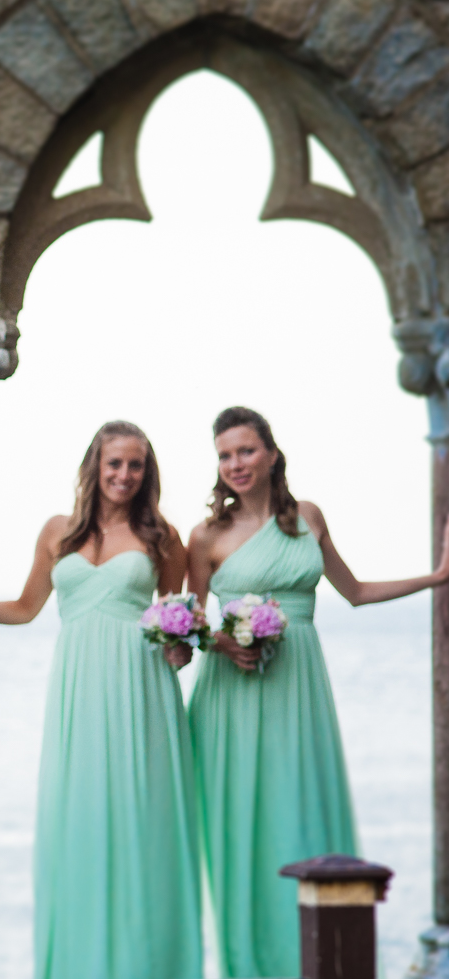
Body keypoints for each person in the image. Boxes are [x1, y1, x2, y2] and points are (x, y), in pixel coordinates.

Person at [187, 405, 449, 977]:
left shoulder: (307, 517)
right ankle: (249, 964)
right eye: (225, 454)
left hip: (299, 686)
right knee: (241, 834)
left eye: (246, 450)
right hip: (233, 697)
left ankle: (314, 959)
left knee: (303, 813)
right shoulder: (206, 535)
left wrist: (436, 576)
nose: (236, 463)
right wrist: (226, 644)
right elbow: (190, 623)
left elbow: (354, 591)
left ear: (272, 453)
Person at [0, 421, 200, 979]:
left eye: (135, 465)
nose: (125, 475)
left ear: (146, 472)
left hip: (141, 690)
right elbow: (25, 607)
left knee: (141, 820)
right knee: (76, 817)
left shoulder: (162, 537)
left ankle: (145, 963)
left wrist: (183, 650)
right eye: (115, 464)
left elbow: (177, 626)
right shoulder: (58, 532)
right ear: (94, 468)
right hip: (78, 688)